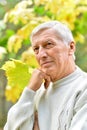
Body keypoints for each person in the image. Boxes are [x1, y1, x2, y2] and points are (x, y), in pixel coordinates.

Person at [4, 20, 87, 130]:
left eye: (48, 44)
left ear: (71, 47)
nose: (41, 55)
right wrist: (30, 90)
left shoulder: (83, 88)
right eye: (36, 49)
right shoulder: (36, 92)